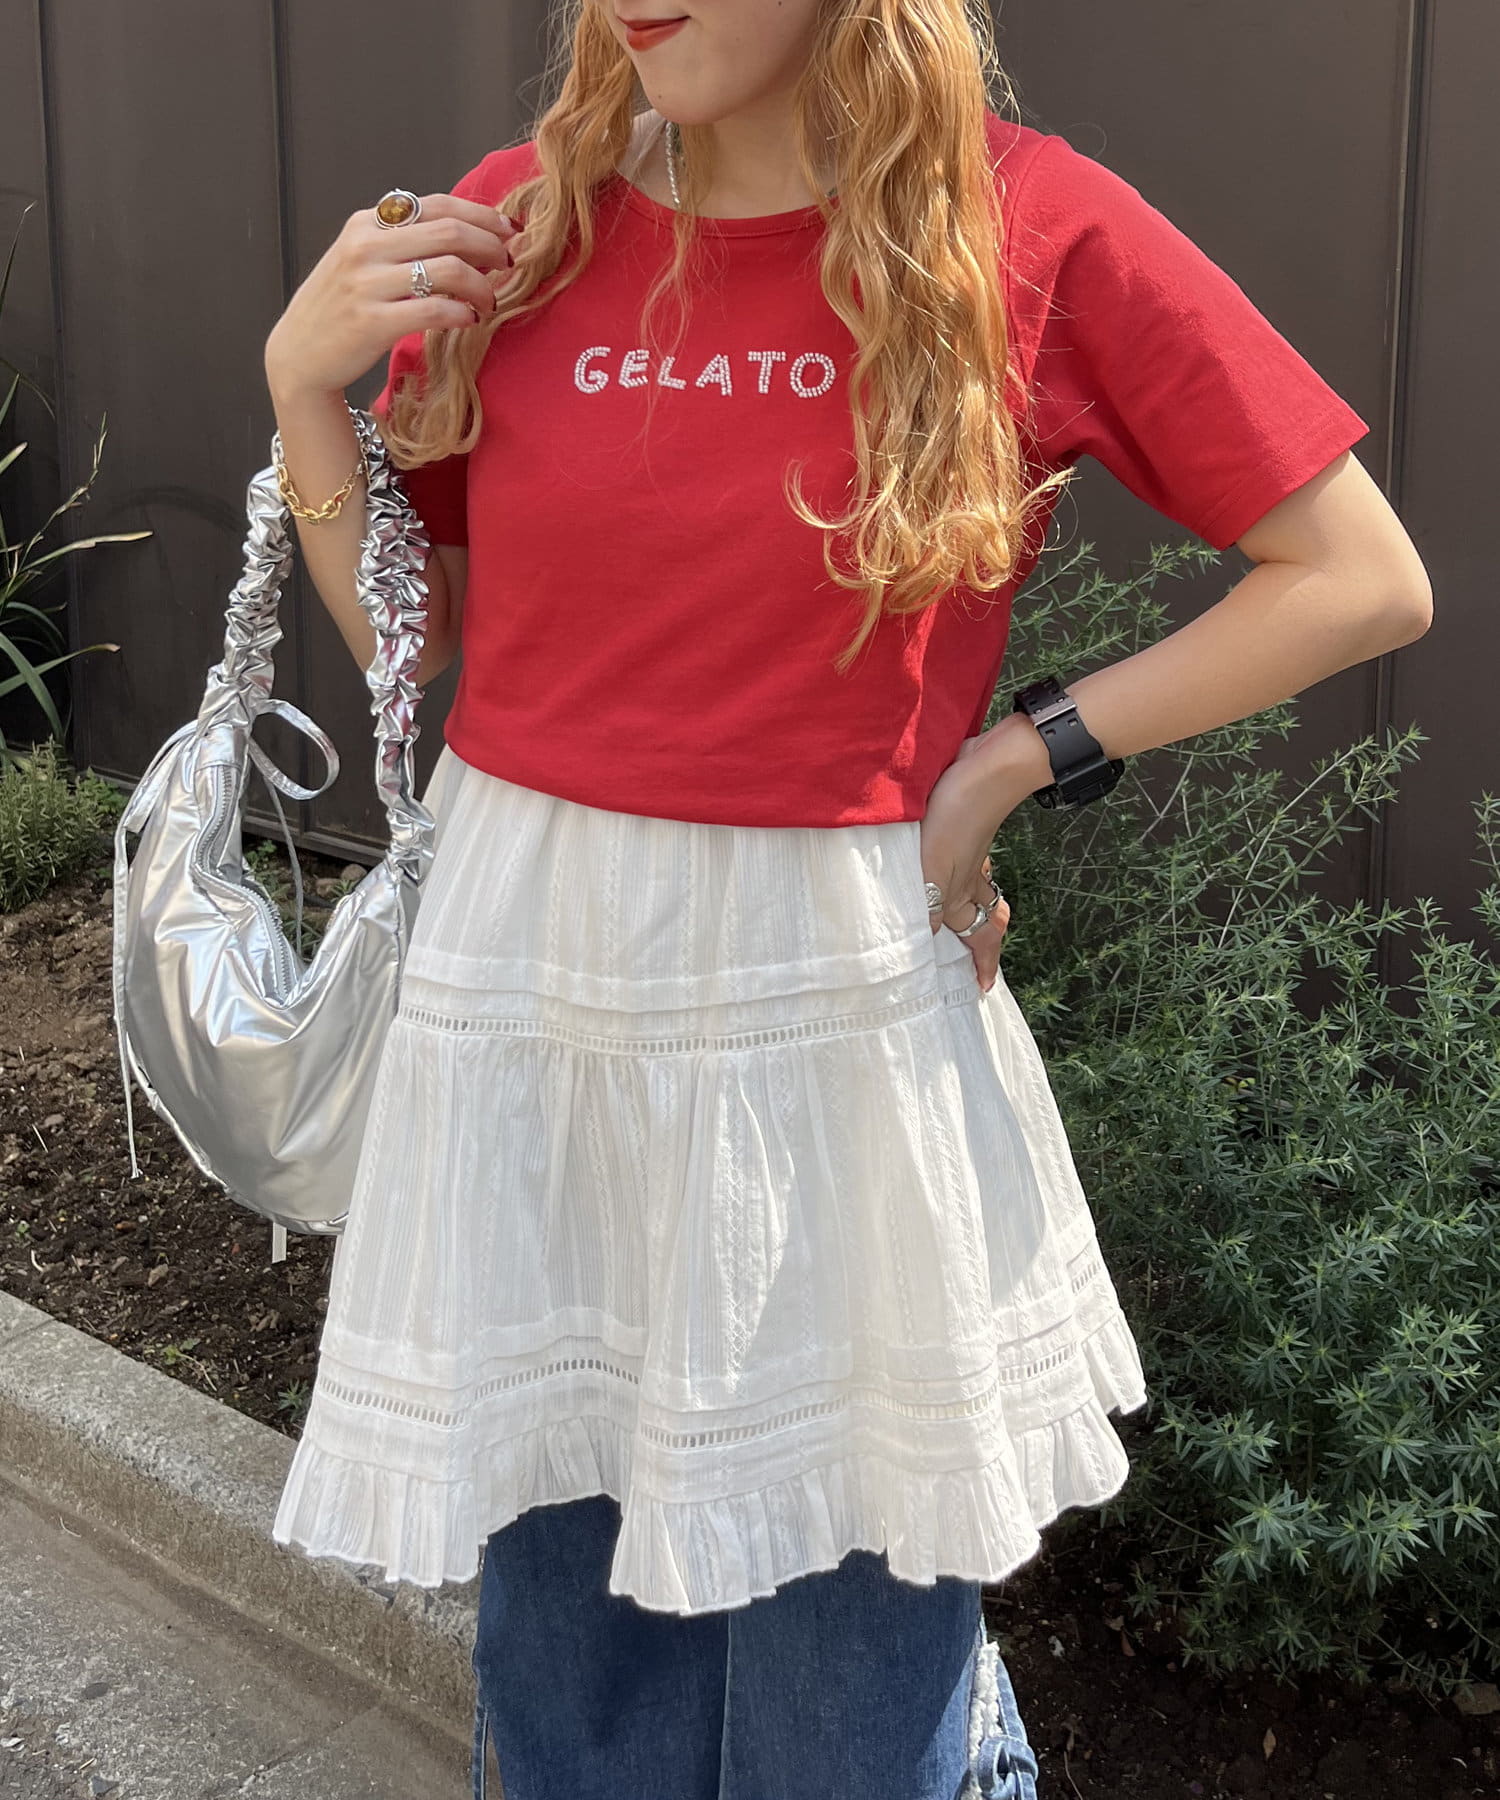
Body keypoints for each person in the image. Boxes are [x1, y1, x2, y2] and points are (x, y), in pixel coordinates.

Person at [260, 1, 1433, 1795]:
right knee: (570, 1691)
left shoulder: (1021, 225)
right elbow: (414, 652)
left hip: (825, 1028)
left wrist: (1012, 759)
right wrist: (302, 390)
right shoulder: (526, 218)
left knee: (843, 1701)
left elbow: (1356, 573)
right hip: (533, 1015)